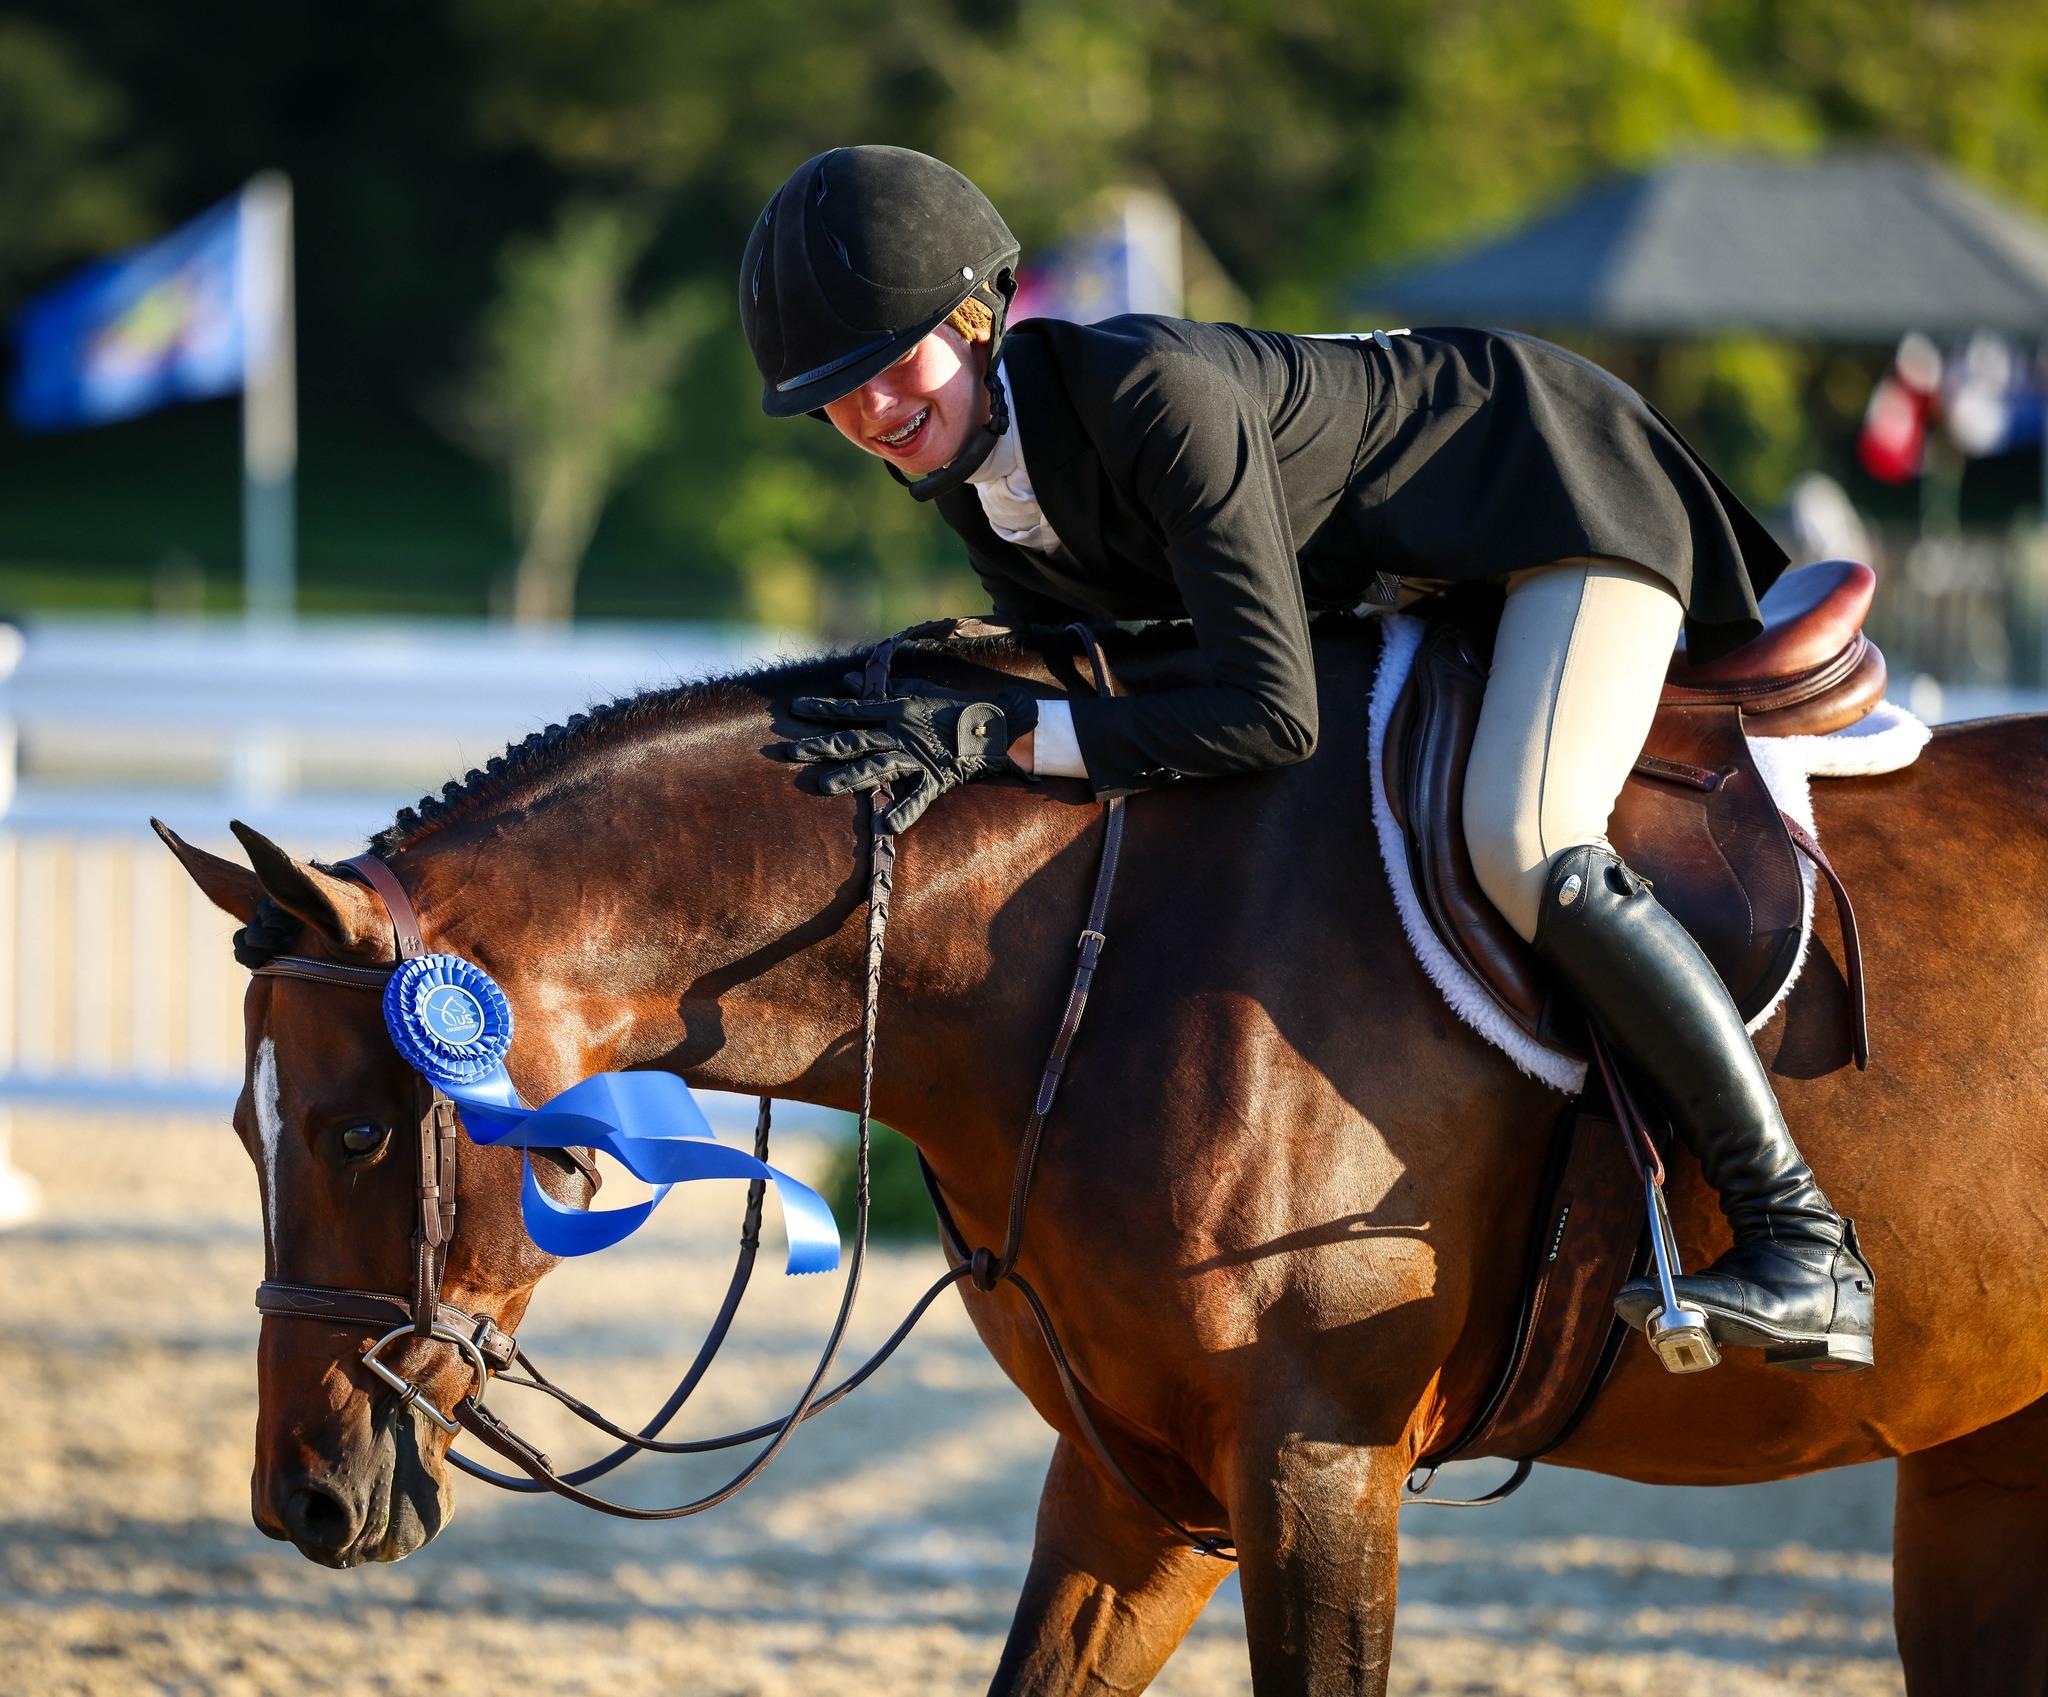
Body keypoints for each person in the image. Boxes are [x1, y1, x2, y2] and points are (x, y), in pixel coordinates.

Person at [741, 144, 1873, 1371]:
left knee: (1521, 836)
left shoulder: (1148, 394)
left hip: (1555, 500)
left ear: (975, 316)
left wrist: (1015, 736)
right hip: (1424, 576)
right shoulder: (974, 485)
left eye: (889, 362)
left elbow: (1271, 714)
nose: (869, 414)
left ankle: (1797, 1229)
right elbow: (1117, 681)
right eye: (834, 396)